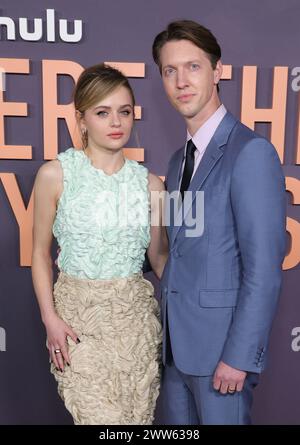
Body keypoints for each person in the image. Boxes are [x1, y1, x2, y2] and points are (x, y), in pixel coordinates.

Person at [152, 20, 286, 425]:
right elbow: (179, 250)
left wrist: (239, 357)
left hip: (222, 359)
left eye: (193, 67)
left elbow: (263, 270)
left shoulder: (251, 153)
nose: (181, 81)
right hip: (175, 354)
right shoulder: (177, 162)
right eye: (170, 71)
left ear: (218, 71)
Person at [31, 63, 168, 425]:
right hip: (77, 325)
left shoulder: (151, 185)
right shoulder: (55, 175)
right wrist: (51, 320)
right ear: (82, 119)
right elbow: (40, 255)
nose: (116, 122)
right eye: (102, 112)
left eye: (124, 112)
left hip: (135, 326)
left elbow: (159, 259)